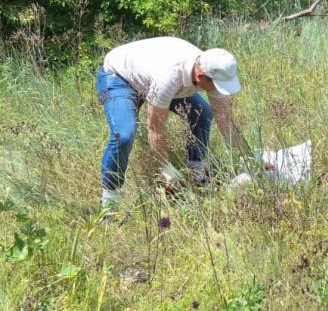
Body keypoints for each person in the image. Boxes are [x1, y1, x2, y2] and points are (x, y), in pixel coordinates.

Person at [97, 36, 253, 212]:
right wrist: (166, 168)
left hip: (150, 74)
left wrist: (251, 159)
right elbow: (155, 129)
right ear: (201, 76)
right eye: (217, 86)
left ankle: (196, 173)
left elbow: (225, 121)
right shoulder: (170, 76)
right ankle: (110, 201)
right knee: (124, 134)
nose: (219, 90)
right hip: (120, 77)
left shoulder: (213, 69)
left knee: (203, 113)